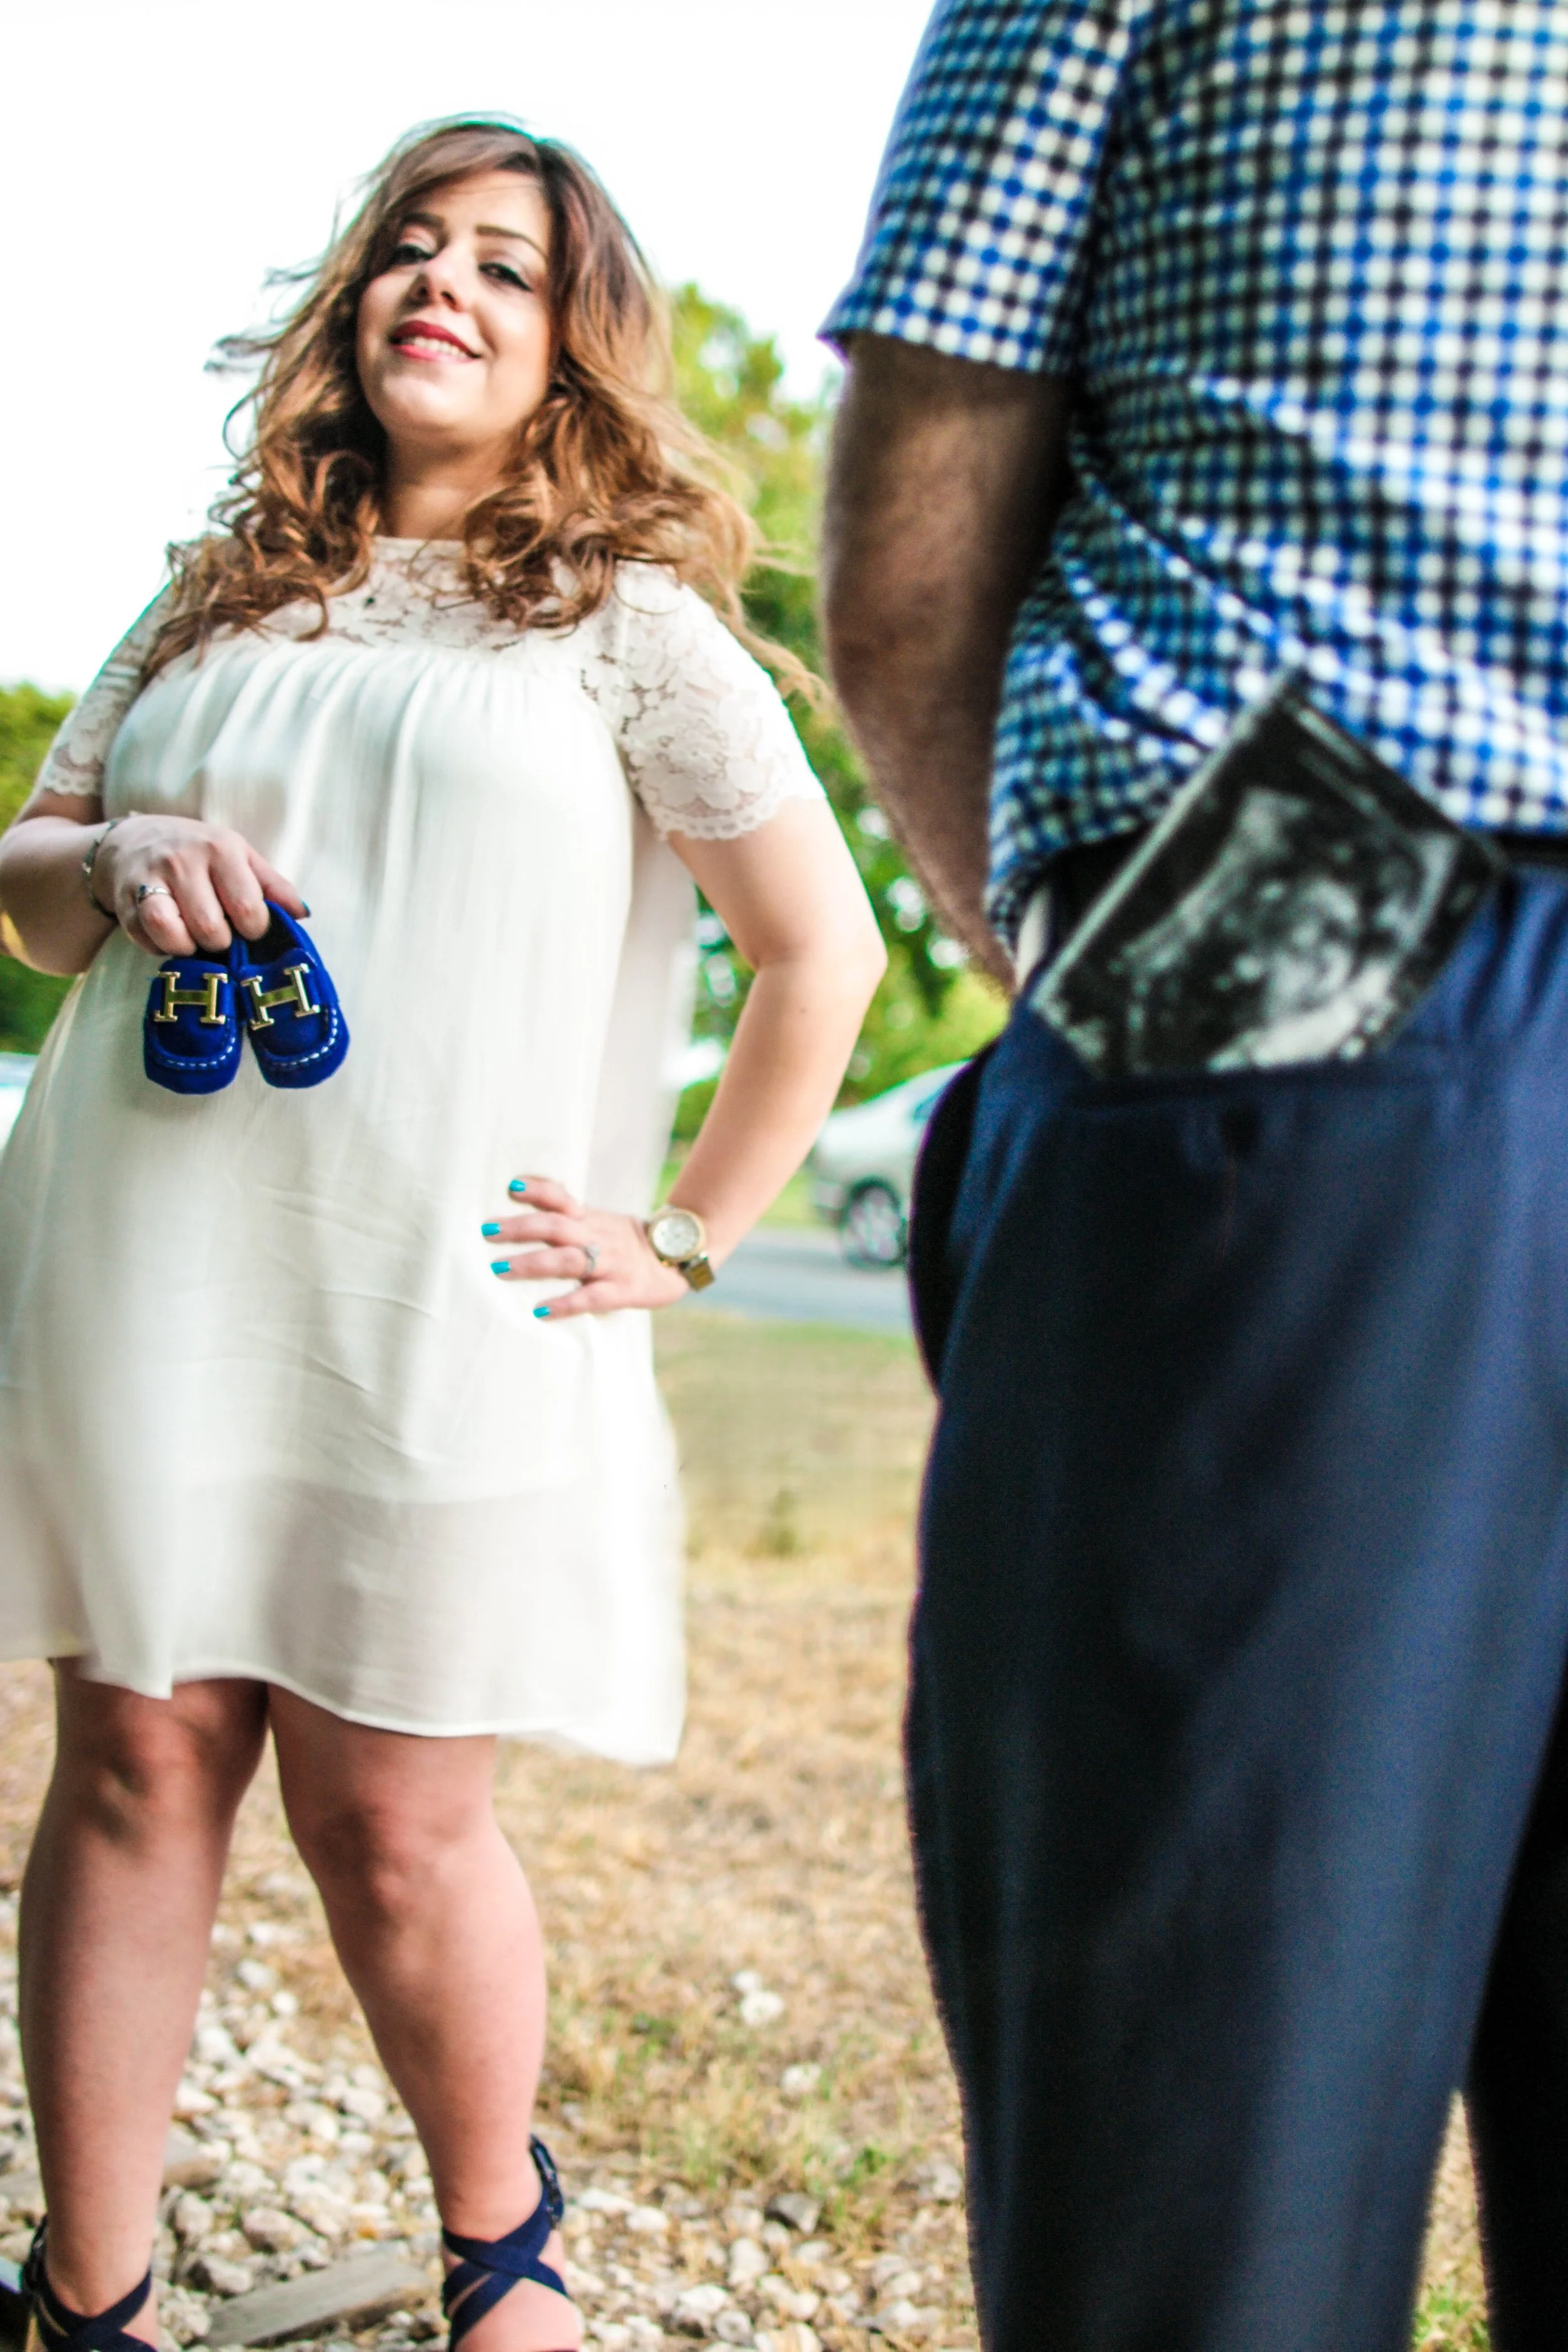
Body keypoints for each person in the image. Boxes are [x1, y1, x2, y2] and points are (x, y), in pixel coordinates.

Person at [0, 115, 884, 2352]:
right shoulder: (209, 593)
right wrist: (113, 861)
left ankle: (504, 2249)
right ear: (353, 304)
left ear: (568, 342)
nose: (445, 285)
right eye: (411, 247)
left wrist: (682, 1236)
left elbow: (823, 956)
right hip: (149, 1259)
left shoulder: (630, 624)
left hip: (436, 1281)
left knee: (393, 1810)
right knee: (133, 1750)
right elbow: (26, 888)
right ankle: (86, 2293)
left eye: (505, 262)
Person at [820, 4, 1568, 2349]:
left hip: (1297, 870)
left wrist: (1099, 961)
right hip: (1310, 891)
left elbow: (919, 526)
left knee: (1200, 2161)